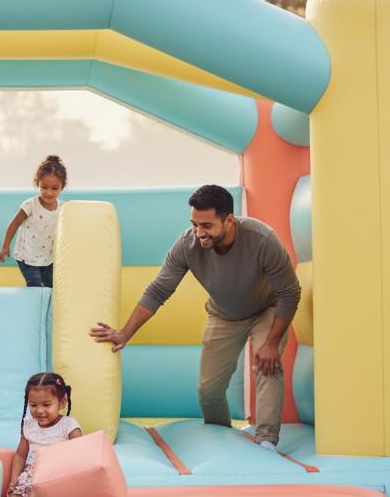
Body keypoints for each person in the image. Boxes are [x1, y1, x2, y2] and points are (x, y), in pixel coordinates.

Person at [90, 184, 302, 449]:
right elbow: (158, 290)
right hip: (224, 314)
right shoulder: (187, 245)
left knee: (267, 367)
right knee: (208, 389)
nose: (199, 233)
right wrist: (125, 332)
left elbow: (290, 292)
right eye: (194, 224)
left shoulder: (262, 239)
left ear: (228, 220)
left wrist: (271, 343)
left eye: (207, 226)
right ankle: (220, 437)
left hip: (266, 310)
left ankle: (266, 442)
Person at [0, 372, 82, 497]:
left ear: (62, 403)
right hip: (30, 473)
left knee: (40, 486)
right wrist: (15, 477)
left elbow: (82, 451)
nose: (39, 410)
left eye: (46, 405)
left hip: (54, 475)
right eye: (33, 405)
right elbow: (21, 454)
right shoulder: (29, 425)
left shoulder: (68, 425)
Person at [0, 155, 68, 287]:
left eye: (55, 188)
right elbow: (14, 224)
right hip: (27, 256)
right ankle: (33, 306)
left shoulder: (63, 208)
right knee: (34, 285)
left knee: (50, 285)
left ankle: (47, 307)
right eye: (44, 187)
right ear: (37, 185)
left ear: (62, 187)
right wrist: (5, 246)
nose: (49, 192)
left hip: (47, 256)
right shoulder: (31, 205)